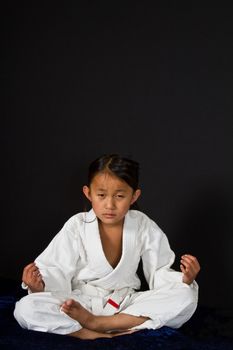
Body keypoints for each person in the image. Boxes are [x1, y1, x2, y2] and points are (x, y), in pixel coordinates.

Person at [14, 154, 200, 340]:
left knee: (185, 295)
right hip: (81, 302)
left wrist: (183, 279)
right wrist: (39, 286)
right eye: (101, 195)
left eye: (120, 196)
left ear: (134, 196)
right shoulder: (77, 225)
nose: (109, 205)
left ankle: (99, 324)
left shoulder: (143, 225)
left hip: (125, 303)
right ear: (88, 193)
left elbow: (159, 270)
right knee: (26, 308)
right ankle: (87, 333)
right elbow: (56, 268)